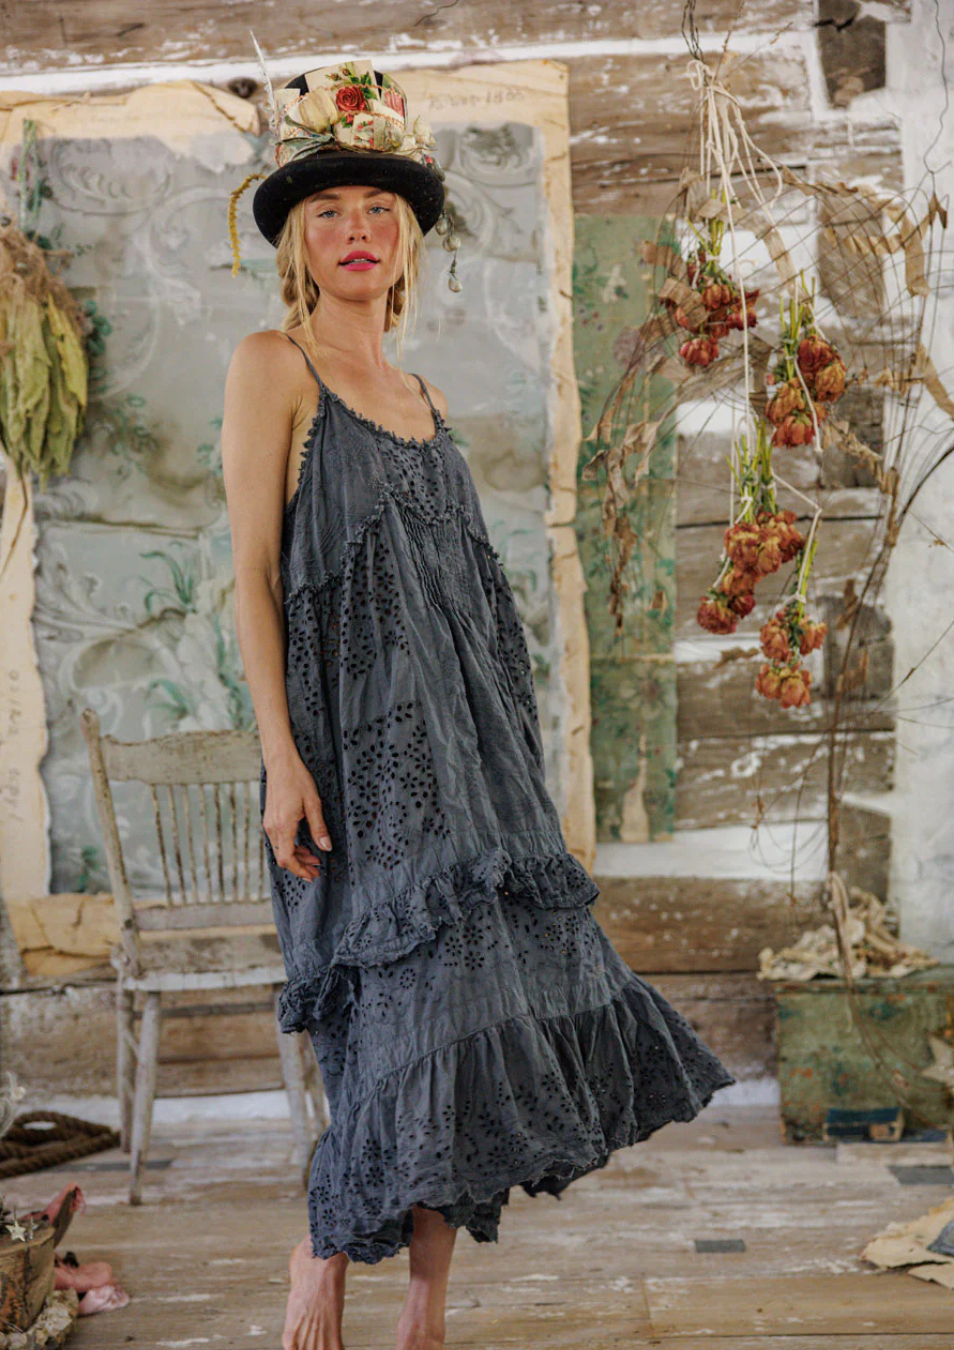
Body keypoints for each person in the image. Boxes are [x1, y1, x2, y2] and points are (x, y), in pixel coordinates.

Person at [222, 58, 737, 1350]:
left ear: (408, 244)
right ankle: (323, 1244)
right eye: (329, 211)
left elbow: (465, 610)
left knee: (472, 1024)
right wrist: (282, 758)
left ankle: (426, 1310)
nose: (357, 230)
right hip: (354, 761)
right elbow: (253, 580)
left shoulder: (427, 401)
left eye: (379, 211)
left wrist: (514, 767)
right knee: (398, 1016)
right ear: (299, 240)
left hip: (472, 761)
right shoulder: (274, 366)